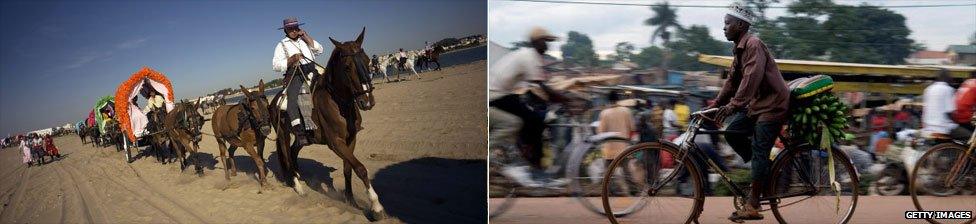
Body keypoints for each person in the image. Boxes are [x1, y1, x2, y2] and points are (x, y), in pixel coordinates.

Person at [711, 3, 790, 221]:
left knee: (759, 151)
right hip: (757, 105)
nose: (724, 28)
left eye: (727, 23)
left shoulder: (753, 44)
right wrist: (715, 104)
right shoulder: (738, 49)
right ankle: (764, 170)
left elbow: (751, 79)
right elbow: (732, 81)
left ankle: (754, 205)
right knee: (732, 132)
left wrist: (733, 105)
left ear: (740, 24)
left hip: (773, 105)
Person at [489, 27, 568, 187]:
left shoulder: (528, 55)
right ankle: (536, 169)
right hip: (495, 94)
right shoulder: (530, 57)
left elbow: (538, 90)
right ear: (536, 42)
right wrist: (565, 100)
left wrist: (555, 100)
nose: (547, 45)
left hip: (501, 93)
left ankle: (523, 157)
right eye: (545, 41)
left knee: (530, 119)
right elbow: (542, 86)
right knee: (535, 121)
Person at [272, 17, 324, 146]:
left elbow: (320, 50)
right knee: (293, 99)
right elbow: (276, 66)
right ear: (285, 30)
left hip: (313, 70)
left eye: (296, 28)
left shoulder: (304, 40)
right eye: (290, 29)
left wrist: (307, 37)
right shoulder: (281, 45)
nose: (294, 31)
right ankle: (299, 132)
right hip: (296, 74)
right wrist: (291, 59)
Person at [922, 69, 972, 142]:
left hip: (929, 126)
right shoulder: (948, 89)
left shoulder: (928, 89)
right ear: (947, 78)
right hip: (943, 127)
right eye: (950, 77)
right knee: (970, 137)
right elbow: (949, 111)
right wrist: (957, 122)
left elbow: (925, 110)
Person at [597, 91, 635, 162]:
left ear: (608, 100)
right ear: (618, 99)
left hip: (609, 150)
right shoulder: (626, 111)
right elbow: (632, 129)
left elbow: (601, 132)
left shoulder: (604, 113)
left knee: (609, 171)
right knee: (626, 171)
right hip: (624, 149)